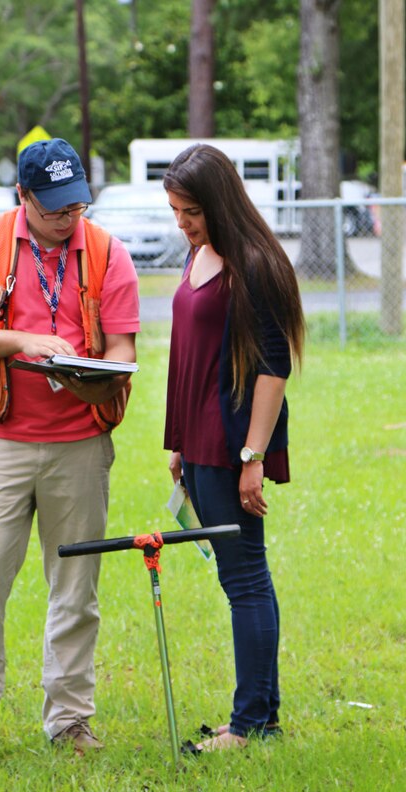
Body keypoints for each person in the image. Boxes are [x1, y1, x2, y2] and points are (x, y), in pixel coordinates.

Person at [0, 138, 140, 761]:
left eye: (76, 205)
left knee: (76, 589)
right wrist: (24, 341)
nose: (67, 219)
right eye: (53, 208)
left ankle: (71, 720)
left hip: (80, 445)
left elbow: (124, 352)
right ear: (22, 196)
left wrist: (91, 374)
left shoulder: (108, 251)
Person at [162, 143, 305, 751]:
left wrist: (251, 458)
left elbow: (274, 369)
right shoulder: (201, 251)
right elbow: (192, 353)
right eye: (175, 210)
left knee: (243, 579)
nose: (182, 223)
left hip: (231, 444)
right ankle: (261, 719)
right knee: (246, 576)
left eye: (191, 210)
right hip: (198, 443)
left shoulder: (252, 264)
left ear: (218, 202)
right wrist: (178, 444)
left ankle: (247, 727)